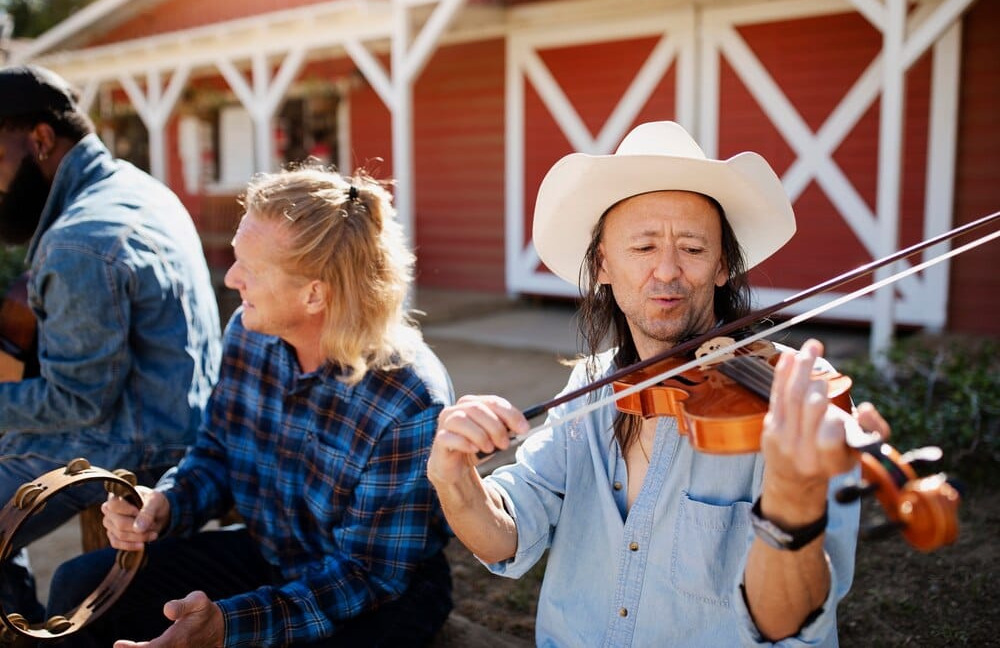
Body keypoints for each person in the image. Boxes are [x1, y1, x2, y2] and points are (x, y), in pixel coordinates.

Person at [427, 121, 891, 646]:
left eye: (692, 249)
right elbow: (505, 537)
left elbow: (785, 623)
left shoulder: (788, 406)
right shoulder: (592, 384)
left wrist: (793, 501)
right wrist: (455, 479)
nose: (667, 271)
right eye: (644, 247)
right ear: (603, 265)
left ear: (722, 266)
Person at [48, 165, 455, 647]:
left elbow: (367, 577)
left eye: (250, 268)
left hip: (375, 593)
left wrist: (227, 625)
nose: (231, 278)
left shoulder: (407, 400)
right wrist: (165, 504)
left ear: (314, 294)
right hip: (272, 554)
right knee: (79, 588)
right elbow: (218, 450)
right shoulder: (249, 332)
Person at [0, 65, 221, 621]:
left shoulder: (79, 241)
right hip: (182, 425)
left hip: (133, 449)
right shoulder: (138, 188)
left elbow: (76, 401)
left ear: (41, 139)